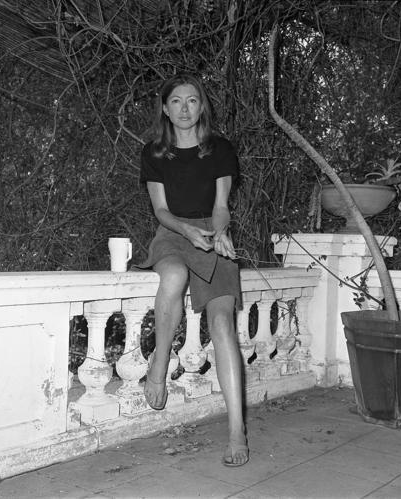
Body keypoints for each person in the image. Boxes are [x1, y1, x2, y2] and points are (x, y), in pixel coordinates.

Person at [137, 73, 248, 467]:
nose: (184, 109)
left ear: (202, 106)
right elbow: (161, 211)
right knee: (173, 275)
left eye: (192, 100)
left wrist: (219, 234)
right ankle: (160, 363)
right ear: (165, 109)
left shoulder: (220, 149)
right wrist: (187, 231)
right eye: (176, 101)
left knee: (221, 324)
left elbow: (221, 207)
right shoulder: (154, 153)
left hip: (212, 232)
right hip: (172, 233)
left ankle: (236, 431)